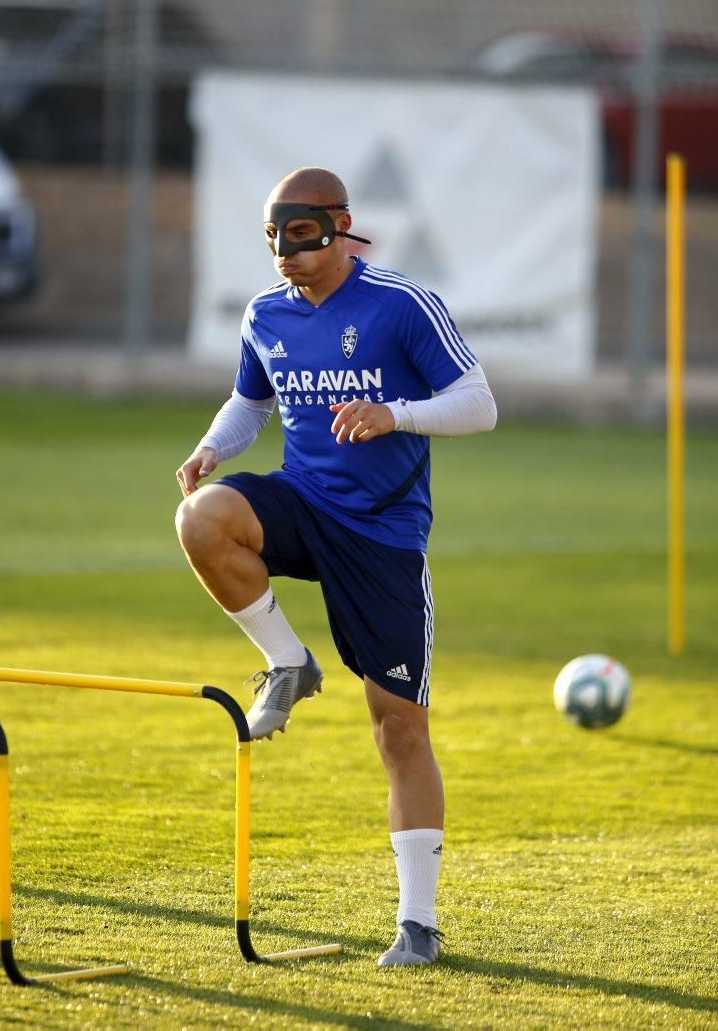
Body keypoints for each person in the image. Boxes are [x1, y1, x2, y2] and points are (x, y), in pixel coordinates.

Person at [175, 166, 496, 966]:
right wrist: (215, 445)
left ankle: (417, 924)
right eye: (274, 239)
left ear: (340, 224)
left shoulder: (400, 304)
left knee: (398, 727)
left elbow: (480, 403)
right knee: (202, 519)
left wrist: (397, 413)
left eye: (302, 234)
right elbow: (252, 400)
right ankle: (287, 661)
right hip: (303, 500)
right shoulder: (265, 314)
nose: (287, 252)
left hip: (384, 535)